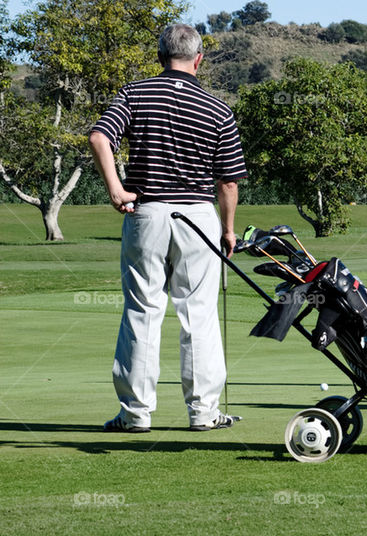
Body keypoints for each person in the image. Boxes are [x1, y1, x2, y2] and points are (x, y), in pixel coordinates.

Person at [89, 24, 248, 432]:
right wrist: (228, 229)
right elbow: (228, 183)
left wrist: (116, 190)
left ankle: (135, 414)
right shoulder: (218, 108)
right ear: (199, 59)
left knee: (143, 310)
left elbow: (99, 138)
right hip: (198, 217)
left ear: (161, 57)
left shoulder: (135, 93)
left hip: (148, 213)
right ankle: (204, 412)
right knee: (199, 314)